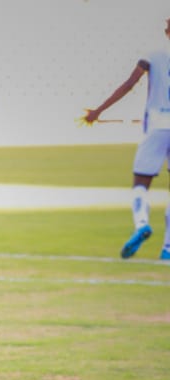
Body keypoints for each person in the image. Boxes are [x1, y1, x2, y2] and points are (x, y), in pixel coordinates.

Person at [84, 16, 170, 261]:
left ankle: (142, 223)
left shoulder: (154, 53)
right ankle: (168, 250)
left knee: (140, 184)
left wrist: (98, 111)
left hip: (157, 126)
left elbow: (129, 84)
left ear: (167, 30)